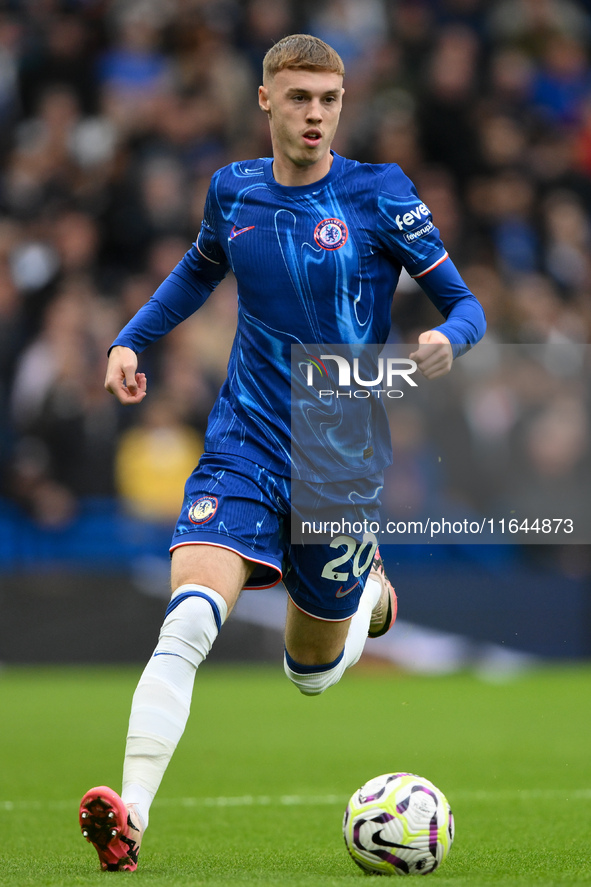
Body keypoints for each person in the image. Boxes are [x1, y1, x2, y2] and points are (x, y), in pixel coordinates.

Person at [79, 34, 486, 872]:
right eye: (299, 98)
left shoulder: (380, 194)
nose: (314, 115)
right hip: (245, 439)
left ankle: (366, 591)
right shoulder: (233, 190)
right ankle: (130, 816)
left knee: (309, 673)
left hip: (340, 462)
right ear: (265, 99)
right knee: (191, 613)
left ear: (343, 103)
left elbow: (464, 302)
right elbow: (197, 271)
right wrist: (130, 340)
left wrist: (448, 334)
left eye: (329, 100)